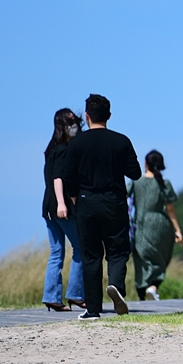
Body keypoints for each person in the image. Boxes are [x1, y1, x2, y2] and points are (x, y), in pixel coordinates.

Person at [64, 94, 142, 320]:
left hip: (86, 202)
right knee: (117, 251)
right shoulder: (121, 141)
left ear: (87, 116)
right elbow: (135, 173)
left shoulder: (76, 143)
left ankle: (93, 309)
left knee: (91, 256)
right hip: (114, 202)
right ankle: (116, 285)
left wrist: (76, 199)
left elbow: (69, 176)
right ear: (109, 116)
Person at [41, 108, 86, 312]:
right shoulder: (63, 150)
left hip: (48, 206)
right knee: (80, 248)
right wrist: (62, 203)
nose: (75, 126)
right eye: (71, 123)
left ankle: (52, 297)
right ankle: (76, 294)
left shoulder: (51, 149)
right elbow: (58, 178)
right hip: (61, 206)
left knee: (57, 252)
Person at [129, 150, 183, 301]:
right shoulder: (164, 183)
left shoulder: (136, 182)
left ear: (145, 163)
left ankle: (142, 291)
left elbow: (124, 197)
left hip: (140, 224)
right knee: (160, 258)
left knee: (141, 259)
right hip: (161, 225)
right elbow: (170, 209)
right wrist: (177, 230)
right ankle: (153, 287)